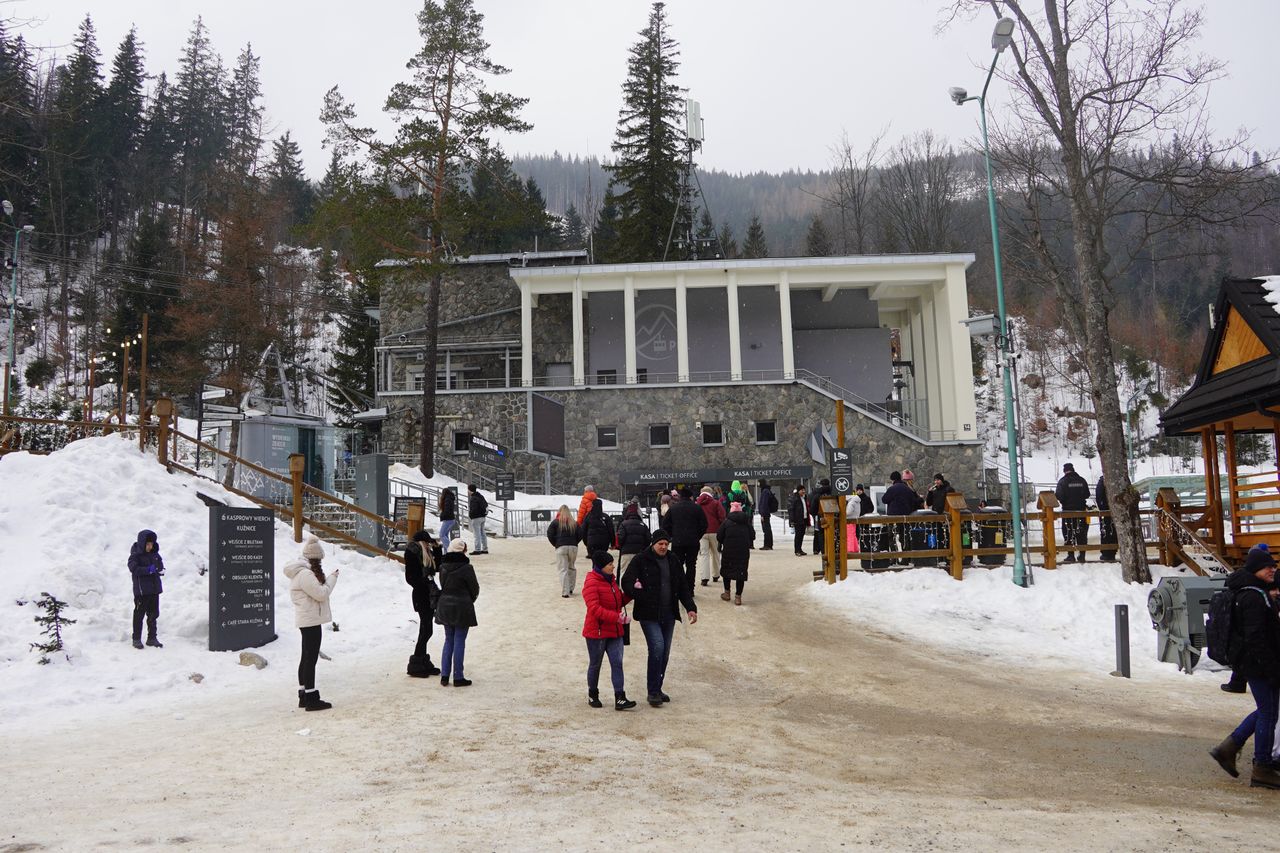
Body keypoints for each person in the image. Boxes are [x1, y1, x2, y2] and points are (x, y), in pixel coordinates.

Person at [1209, 547, 1280, 788]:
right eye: (1267, 566)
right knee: (1269, 713)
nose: (1273, 569)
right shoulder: (1252, 597)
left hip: (1256, 664)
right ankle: (1262, 767)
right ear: (1255, 570)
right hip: (1259, 666)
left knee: (1266, 710)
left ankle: (1228, 748)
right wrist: (1273, 669)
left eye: (1273, 565)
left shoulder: (1254, 591)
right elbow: (1256, 638)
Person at [620, 530, 698, 707]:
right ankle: (653, 691)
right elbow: (626, 582)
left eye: (666, 544)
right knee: (657, 647)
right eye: (660, 544)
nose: (663, 547)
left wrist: (690, 608)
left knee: (664, 652)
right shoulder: (640, 559)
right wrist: (639, 593)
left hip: (669, 613)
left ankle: (657, 687)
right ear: (653, 544)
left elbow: (683, 586)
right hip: (649, 614)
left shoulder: (673, 560)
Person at [283, 537, 339, 711]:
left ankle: (304, 695)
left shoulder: (302, 571)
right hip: (310, 620)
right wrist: (332, 578)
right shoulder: (306, 574)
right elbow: (321, 594)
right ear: (315, 558)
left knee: (306, 656)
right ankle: (311, 697)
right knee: (310, 658)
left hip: (308, 619)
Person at [581, 551, 637, 711]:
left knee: (617, 663)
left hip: (615, 631)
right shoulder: (591, 582)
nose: (613, 566)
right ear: (600, 567)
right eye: (610, 564)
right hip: (596, 632)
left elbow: (619, 600)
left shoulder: (611, 581)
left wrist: (632, 592)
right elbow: (594, 608)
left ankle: (620, 697)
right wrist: (616, 618)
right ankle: (593, 693)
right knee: (595, 664)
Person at [436, 538, 479, 687]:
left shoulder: (443, 566)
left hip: (445, 605)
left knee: (449, 640)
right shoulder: (467, 568)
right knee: (459, 640)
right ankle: (458, 676)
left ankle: (445, 675)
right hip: (462, 606)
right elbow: (474, 589)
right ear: (463, 550)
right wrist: (469, 599)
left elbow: (442, 584)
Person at [404, 529, 442, 678]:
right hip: (421, 595)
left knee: (427, 629)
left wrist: (437, 549)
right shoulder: (413, 553)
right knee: (426, 629)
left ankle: (422, 662)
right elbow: (410, 577)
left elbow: (437, 567)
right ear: (421, 542)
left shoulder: (426, 554)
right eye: (427, 542)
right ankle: (416, 664)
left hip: (428, 594)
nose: (429, 545)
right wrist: (424, 583)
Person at [660, 486, 708, 594]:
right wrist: (697, 535)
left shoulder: (674, 508)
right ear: (691, 497)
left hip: (678, 542)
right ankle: (690, 589)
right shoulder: (697, 508)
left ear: (680, 496)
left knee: (677, 565)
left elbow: (665, 524)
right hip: (693, 542)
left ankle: (678, 589)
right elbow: (704, 525)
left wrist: (672, 535)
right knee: (691, 565)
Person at [127, 529, 165, 650]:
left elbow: (160, 565)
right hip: (142, 591)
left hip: (154, 590)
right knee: (139, 615)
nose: (150, 546)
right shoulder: (135, 555)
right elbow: (134, 569)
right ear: (142, 543)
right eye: (148, 544)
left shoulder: (155, 554)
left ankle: (152, 638)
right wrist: (148, 570)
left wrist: (161, 570)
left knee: (154, 614)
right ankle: (136, 638)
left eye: (151, 544)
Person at [717, 501, 755, 605]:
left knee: (727, 571)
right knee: (740, 573)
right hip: (743, 551)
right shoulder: (746, 522)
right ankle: (738, 597)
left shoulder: (726, 522)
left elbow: (719, 536)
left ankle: (727, 593)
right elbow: (753, 535)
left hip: (729, 550)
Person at [1055, 462, 1090, 562]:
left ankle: (1071, 555)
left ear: (1065, 471)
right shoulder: (1082, 480)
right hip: (1081, 511)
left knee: (1069, 533)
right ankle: (1082, 555)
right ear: (1073, 469)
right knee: (1081, 533)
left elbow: (1059, 496)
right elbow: (1087, 494)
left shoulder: (1062, 482)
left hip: (1068, 512)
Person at [546, 505, 583, 598]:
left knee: (563, 569)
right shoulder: (574, 523)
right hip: (573, 547)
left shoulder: (555, 522)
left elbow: (549, 534)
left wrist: (556, 544)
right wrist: (575, 542)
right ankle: (571, 588)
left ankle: (565, 592)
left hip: (561, 547)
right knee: (571, 567)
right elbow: (581, 534)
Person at [884, 471, 923, 557]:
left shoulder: (892, 489)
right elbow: (913, 501)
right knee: (904, 536)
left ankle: (894, 557)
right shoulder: (907, 489)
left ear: (893, 480)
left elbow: (884, 500)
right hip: (905, 516)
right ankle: (906, 558)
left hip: (892, 517)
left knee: (891, 537)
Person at [696, 486, 727, 585]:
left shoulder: (697, 504)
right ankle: (716, 575)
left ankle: (704, 578)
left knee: (704, 554)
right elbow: (722, 516)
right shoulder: (716, 503)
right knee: (715, 553)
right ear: (711, 493)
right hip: (715, 531)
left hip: (701, 532)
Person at [616, 502, 651, 573]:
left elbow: (620, 538)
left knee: (624, 572)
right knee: (640, 573)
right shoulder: (643, 525)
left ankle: (623, 584)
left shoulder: (623, 524)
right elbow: (648, 539)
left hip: (626, 553)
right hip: (640, 552)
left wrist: (621, 547)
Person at [809, 478, 832, 557]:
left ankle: (823, 551)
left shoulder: (817, 495)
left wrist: (815, 514)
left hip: (820, 517)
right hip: (833, 517)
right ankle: (832, 549)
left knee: (821, 534)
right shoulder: (834, 493)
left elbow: (812, 509)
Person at [1096, 476, 1117, 561]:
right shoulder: (1116, 480)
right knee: (1113, 531)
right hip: (1116, 511)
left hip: (1105, 511)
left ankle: (1106, 552)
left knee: (1105, 531)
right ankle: (1112, 551)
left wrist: (1102, 507)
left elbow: (1099, 496)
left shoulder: (1102, 482)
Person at [467, 484, 489, 555]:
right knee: (483, 533)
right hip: (483, 517)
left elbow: (473, 509)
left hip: (476, 518)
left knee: (477, 534)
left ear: (470, 490)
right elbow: (486, 504)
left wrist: (471, 515)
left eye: (468, 490)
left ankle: (477, 549)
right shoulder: (480, 496)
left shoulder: (473, 498)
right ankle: (485, 549)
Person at [757, 479, 778, 550]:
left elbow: (764, 504)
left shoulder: (765, 491)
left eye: (759, 483)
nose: (758, 484)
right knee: (767, 529)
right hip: (766, 513)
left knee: (766, 529)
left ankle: (767, 545)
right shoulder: (766, 490)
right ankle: (769, 544)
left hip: (765, 513)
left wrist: (762, 514)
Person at [788, 486, 809, 556]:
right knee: (798, 535)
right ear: (798, 491)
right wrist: (792, 520)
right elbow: (791, 510)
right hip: (798, 519)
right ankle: (797, 550)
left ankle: (800, 549)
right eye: (802, 490)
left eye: (804, 490)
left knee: (802, 535)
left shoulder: (804, 498)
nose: (803, 491)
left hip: (804, 518)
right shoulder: (795, 498)